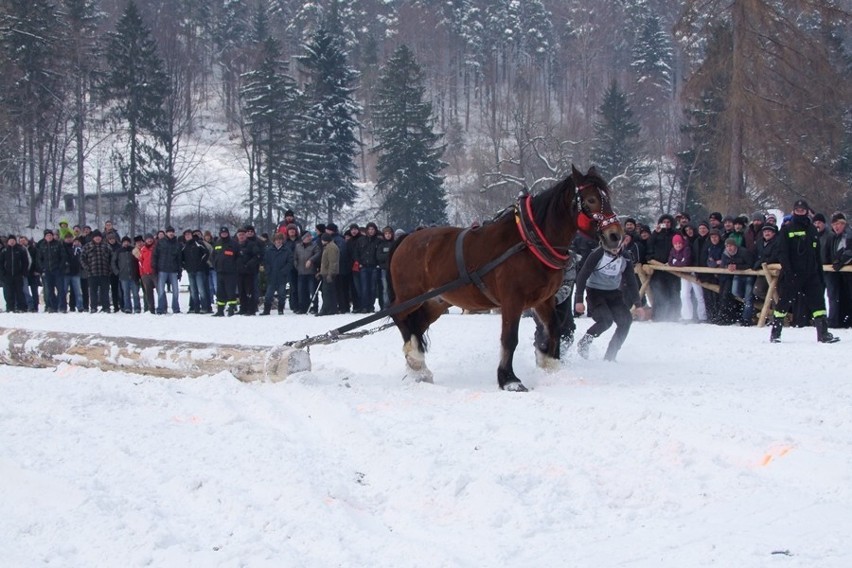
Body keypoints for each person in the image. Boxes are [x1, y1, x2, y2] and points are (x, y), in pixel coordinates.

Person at [769, 199, 839, 343]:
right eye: (797, 210)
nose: (800, 212)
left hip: (811, 275)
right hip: (793, 274)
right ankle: (775, 334)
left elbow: (816, 255)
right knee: (783, 304)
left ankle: (823, 334)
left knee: (819, 305)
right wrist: (789, 272)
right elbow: (783, 253)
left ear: (807, 211)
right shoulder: (787, 229)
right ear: (793, 211)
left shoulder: (812, 230)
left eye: (803, 210)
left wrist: (819, 276)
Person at [574, 244, 645, 361]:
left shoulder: (625, 257)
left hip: (614, 293)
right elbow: (582, 275)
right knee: (606, 320)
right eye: (612, 247)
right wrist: (579, 300)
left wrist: (638, 304)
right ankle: (585, 341)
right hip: (595, 293)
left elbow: (631, 280)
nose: (615, 250)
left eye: (617, 247)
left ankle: (611, 355)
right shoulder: (597, 254)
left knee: (626, 321)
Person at [647, 214, 680, 321]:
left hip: (672, 268)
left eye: (668, 222)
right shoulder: (656, 234)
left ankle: (674, 316)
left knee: (673, 292)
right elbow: (649, 245)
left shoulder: (676, 234)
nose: (666, 224)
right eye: (664, 222)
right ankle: (658, 316)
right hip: (658, 268)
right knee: (658, 292)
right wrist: (655, 233)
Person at [669, 233, 706, 322]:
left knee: (699, 295)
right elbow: (670, 261)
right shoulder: (673, 251)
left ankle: (702, 316)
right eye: (676, 244)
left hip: (693, 273)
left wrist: (676, 262)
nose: (678, 245)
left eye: (679, 243)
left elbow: (685, 262)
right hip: (684, 274)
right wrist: (678, 262)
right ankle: (687, 316)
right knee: (684, 295)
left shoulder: (687, 249)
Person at [824, 212, 852, 328]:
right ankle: (841, 320)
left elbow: (849, 251)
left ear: (844, 224)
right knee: (841, 297)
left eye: (839, 224)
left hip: (848, 271)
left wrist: (840, 261)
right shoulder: (834, 237)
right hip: (840, 272)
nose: (836, 226)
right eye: (834, 224)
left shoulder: (848, 234)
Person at [719, 238, 755, 326]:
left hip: (749, 276)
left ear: (735, 246)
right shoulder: (725, 254)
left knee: (748, 298)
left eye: (730, 246)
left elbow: (751, 264)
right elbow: (724, 263)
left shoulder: (744, 252)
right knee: (735, 292)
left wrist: (737, 266)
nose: (729, 248)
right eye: (727, 246)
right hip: (737, 275)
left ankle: (746, 319)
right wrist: (728, 266)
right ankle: (748, 304)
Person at [80, 230, 113, 313]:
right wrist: (87, 268)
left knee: (105, 291)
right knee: (93, 292)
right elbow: (82, 258)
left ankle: (106, 307)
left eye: (99, 237)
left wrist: (110, 268)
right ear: (93, 238)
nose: (97, 238)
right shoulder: (87, 246)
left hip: (104, 273)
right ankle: (93, 307)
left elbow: (112, 258)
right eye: (96, 237)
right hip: (92, 273)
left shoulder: (106, 246)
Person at [260, 232, 292, 315]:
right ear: (274, 240)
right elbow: (265, 262)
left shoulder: (287, 250)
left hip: (282, 276)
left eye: (280, 239)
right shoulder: (269, 250)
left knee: (282, 294)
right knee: (268, 295)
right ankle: (266, 310)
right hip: (271, 275)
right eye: (277, 240)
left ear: (282, 240)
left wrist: (284, 271)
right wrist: (268, 271)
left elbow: (290, 262)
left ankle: (280, 310)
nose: (278, 241)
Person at [152, 226, 182, 314]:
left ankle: (176, 308)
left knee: (175, 290)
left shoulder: (177, 244)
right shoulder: (160, 242)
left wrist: (179, 271)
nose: (171, 233)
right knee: (161, 290)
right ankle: (161, 308)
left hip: (173, 270)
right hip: (162, 269)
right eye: (169, 232)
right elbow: (155, 255)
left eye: (172, 232)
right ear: (166, 233)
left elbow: (179, 259)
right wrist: (155, 267)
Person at [181, 229, 211, 313]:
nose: (187, 236)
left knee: (201, 290)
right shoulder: (184, 246)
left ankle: (205, 307)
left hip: (199, 271)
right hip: (190, 271)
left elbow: (206, 253)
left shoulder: (198, 243)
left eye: (189, 234)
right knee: (193, 291)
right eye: (186, 235)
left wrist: (201, 263)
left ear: (192, 235)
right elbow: (181, 258)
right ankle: (196, 307)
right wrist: (185, 266)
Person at [212, 226, 239, 316]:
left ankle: (231, 308)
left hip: (230, 272)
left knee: (231, 291)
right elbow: (213, 256)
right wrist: (215, 265)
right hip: (219, 271)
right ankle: (220, 310)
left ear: (228, 233)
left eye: (225, 233)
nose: (224, 234)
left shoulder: (233, 243)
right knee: (220, 292)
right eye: (222, 233)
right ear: (220, 234)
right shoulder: (217, 243)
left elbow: (238, 257)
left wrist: (234, 267)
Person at [294, 230, 321, 314]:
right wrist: (296, 266)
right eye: (307, 236)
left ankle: (315, 307)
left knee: (313, 290)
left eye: (310, 236)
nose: (309, 238)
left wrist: (311, 260)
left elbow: (318, 254)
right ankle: (302, 307)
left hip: (311, 272)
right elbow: (295, 257)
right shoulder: (298, 246)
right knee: (301, 291)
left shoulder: (314, 246)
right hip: (301, 272)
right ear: (303, 238)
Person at [112, 236, 141, 313]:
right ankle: (127, 307)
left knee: (135, 293)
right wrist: (117, 272)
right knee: (125, 293)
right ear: (122, 243)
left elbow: (140, 260)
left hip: (134, 275)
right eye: (124, 242)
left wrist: (139, 272)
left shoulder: (133, 250)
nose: (126, 243)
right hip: (123, 276)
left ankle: (137, 307)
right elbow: (113, 262)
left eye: (127, 242)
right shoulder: (118, 251)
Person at [0, 234, 28, 312]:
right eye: (10, 241)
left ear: (15, 241)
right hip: (7, 275)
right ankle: (10, 307)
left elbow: (25, 262)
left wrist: (23, 273)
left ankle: (21, 307)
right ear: (8, 242)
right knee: (8, 293)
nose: (12, 242)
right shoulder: (4, 251)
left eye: (13, 240)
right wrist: (2, 274)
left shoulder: (20, 250)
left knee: (19, 292)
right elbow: (1, 263)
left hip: (18, 275)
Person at [317, 232, 340, 315]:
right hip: (326, 272)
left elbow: (332, 262)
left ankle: (325, 309)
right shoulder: (328, 247)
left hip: (329, 273)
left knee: (326, 292)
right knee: (330, 292)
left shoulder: (331, 248)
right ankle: (332, 309)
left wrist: (330, 274)